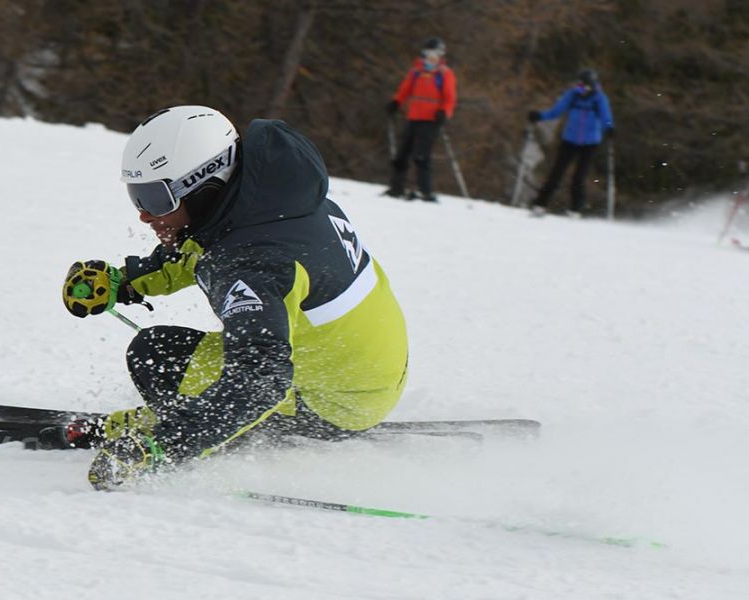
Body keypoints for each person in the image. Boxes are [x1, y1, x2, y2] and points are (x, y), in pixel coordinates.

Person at [60, 105, 410, 490]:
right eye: (136, 196)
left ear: (204, 185)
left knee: (155, 356)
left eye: (155, 198)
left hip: (336, 403)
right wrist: (124, 283)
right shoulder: (274, 200)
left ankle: (217, 428)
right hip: (369, 371)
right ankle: (200, 416)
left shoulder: (255, 263)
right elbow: (200, 251)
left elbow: (261, 379)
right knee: (168, 350)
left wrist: (164, 444)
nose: (144, 215)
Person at [526, 68, 614, 218]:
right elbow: (556, 111)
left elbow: (606, 117)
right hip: (570, 140)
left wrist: (609, 128)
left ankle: (575, 209)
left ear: (591, 85)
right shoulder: (572, 95)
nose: (580, 89)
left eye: (583, 86)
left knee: (579, 176)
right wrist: (540, 116)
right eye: (578, 85)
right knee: (557, 172)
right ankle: (540, 205)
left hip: (590, 143)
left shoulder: (599, 98)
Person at [384, 37, 457, 202]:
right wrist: (396, 102)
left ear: (440, 56)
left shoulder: (444, 74)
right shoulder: (416, 72)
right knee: (402, 154)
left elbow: (450, 98)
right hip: (414, 117)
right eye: (429, 53)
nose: (431, 58)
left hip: (431, 120)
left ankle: (425, 191)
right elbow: (404, 90)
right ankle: (396, 188)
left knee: (421, 155)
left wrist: (444, 112)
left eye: (435, 54)